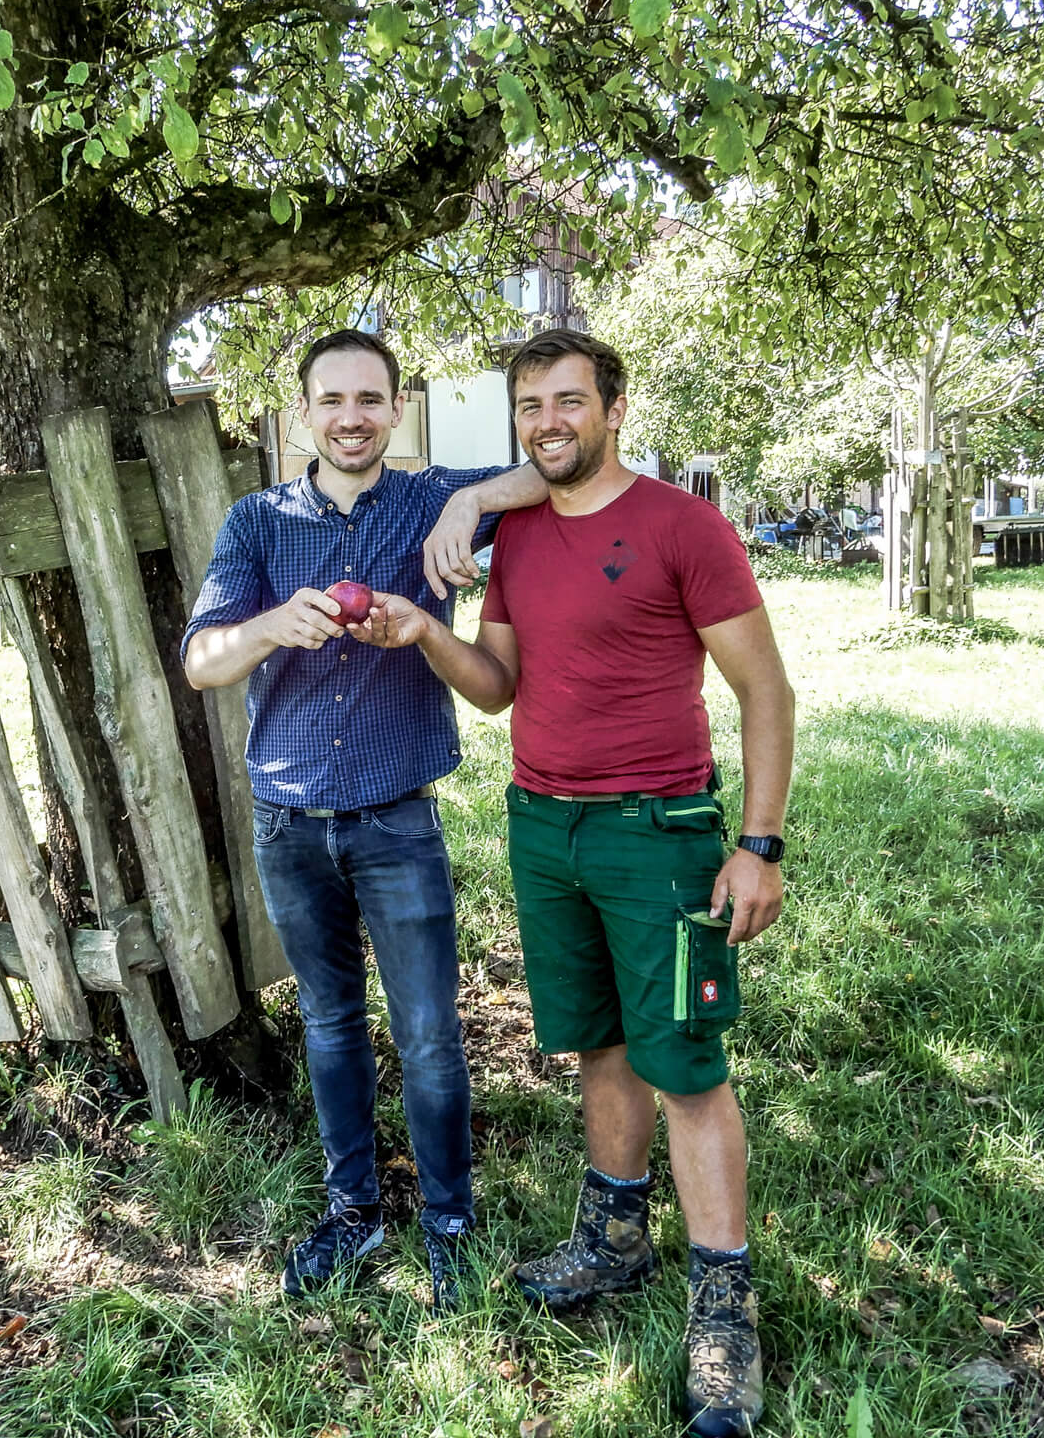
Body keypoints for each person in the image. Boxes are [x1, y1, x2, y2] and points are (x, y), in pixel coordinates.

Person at [347, 329, 795, 1436]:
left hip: (662, 833)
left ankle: (723, 1311)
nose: (548, 422)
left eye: (567, 402)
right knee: (597, 1042)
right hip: (545, 828)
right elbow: (496, 687)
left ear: (612, 407)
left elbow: (765, 692)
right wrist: (421, 636)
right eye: (529, 408)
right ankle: (612, 1239)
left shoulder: (681, 529)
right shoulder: (517, 540)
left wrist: (759, 844)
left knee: (682, 1065)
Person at [181, 328, 548, 1310]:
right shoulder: (258, 524)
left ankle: (447, 1224)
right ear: (303, 413)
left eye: (369, 400)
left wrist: (468, 497)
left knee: (429, 1034)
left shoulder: (428, 500)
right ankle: (351, 1214)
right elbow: (201, 660)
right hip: (289, 825)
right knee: (331, 1025)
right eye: (331, 400)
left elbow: (547, 466)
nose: (350, 417)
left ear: (395, 411)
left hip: (396, 823)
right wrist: (267, 626)